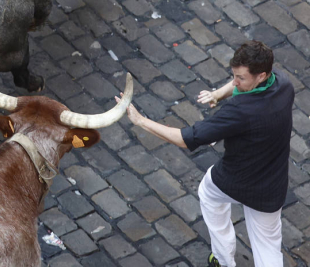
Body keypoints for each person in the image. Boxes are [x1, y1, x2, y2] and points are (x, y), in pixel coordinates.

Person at [116, 40, 294, 267]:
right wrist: (217, 94)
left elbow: (184, 138)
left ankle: (222, 260)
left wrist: (140, 121)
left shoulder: (239, 112)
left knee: (208, 194)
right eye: (234, 75)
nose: (235, 82)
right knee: (268, 248)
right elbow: (239, 86)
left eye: (241, 78)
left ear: (260, 76)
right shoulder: (283, 84)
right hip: (271, 188)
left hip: (234, 180)